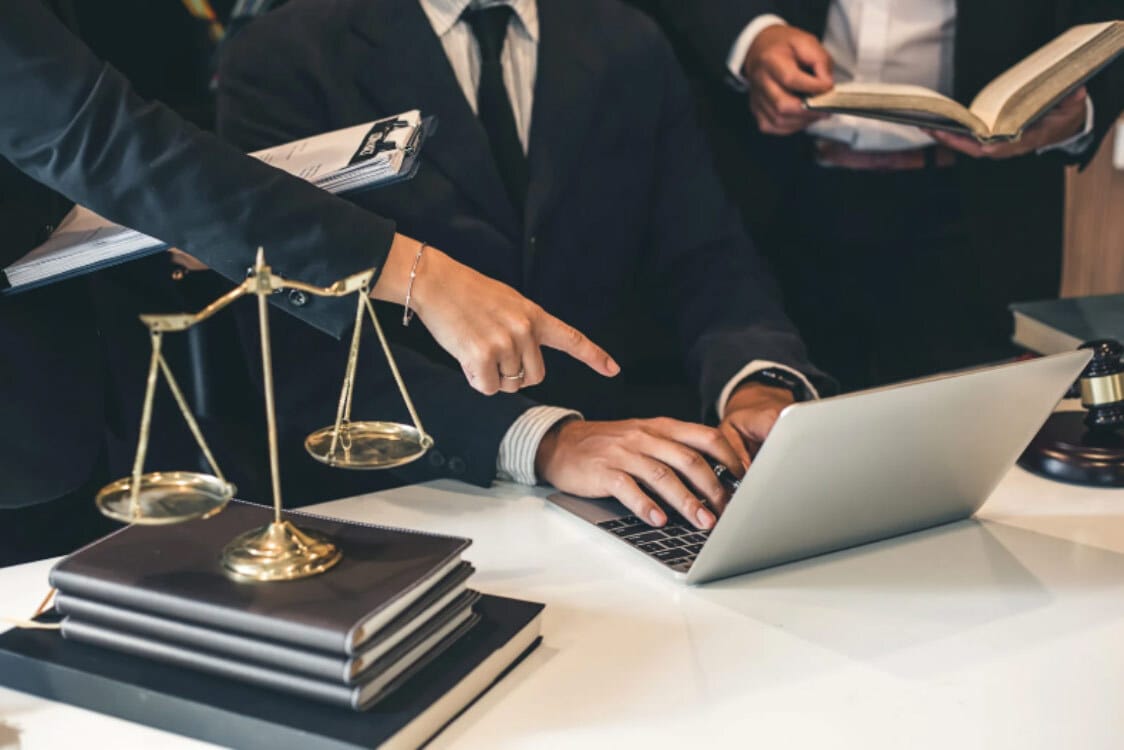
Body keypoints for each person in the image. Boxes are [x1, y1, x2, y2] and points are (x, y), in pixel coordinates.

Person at [0, 0, 617, 565]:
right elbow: (93, 134)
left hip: (80, 404)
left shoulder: (619, 38)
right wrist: (419, 275)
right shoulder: (287, 49)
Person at [216, 0, 834, 530]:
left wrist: (757, 381)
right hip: (414, 498)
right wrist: (542, 439)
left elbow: (706, 256)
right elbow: (298, 350)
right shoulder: (283, 55)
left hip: (634, 488)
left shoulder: (628, 38)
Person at [631, 0, 1124, 391]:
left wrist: (1082, 110)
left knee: (968, 466)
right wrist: (750, 36)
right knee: (770, 438)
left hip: (979, 210)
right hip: (764, 191)